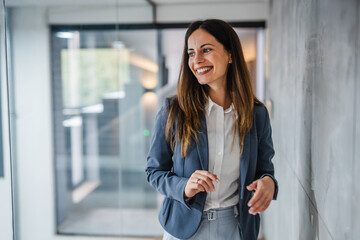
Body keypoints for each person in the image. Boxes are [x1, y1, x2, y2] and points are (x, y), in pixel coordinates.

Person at [146, 19, 278, 240]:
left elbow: (265, 169)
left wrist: (268, 183)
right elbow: (154, 172)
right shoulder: (174, 111)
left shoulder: (257, 114)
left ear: (230, 55)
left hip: (236, 227)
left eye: (206, 50)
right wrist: (184, 186)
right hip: (183, 228)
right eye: (190, 53)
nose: (196, 60)